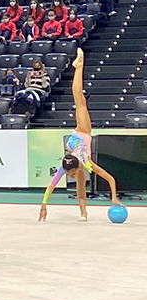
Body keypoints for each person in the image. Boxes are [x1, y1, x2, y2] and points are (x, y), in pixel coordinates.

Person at [39, 48, 121, 222]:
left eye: (72, 174)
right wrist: (43, 206)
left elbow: (110, 179)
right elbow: (50, 187)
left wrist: (114, 197)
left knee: (79, 99)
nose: (71, 176)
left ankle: (78, 65)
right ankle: (83, 214)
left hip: (82, 130)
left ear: (75, 167)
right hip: (77, 139)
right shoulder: (70, 165)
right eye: (70, 175)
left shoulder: (86, 163)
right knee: (81, 186)